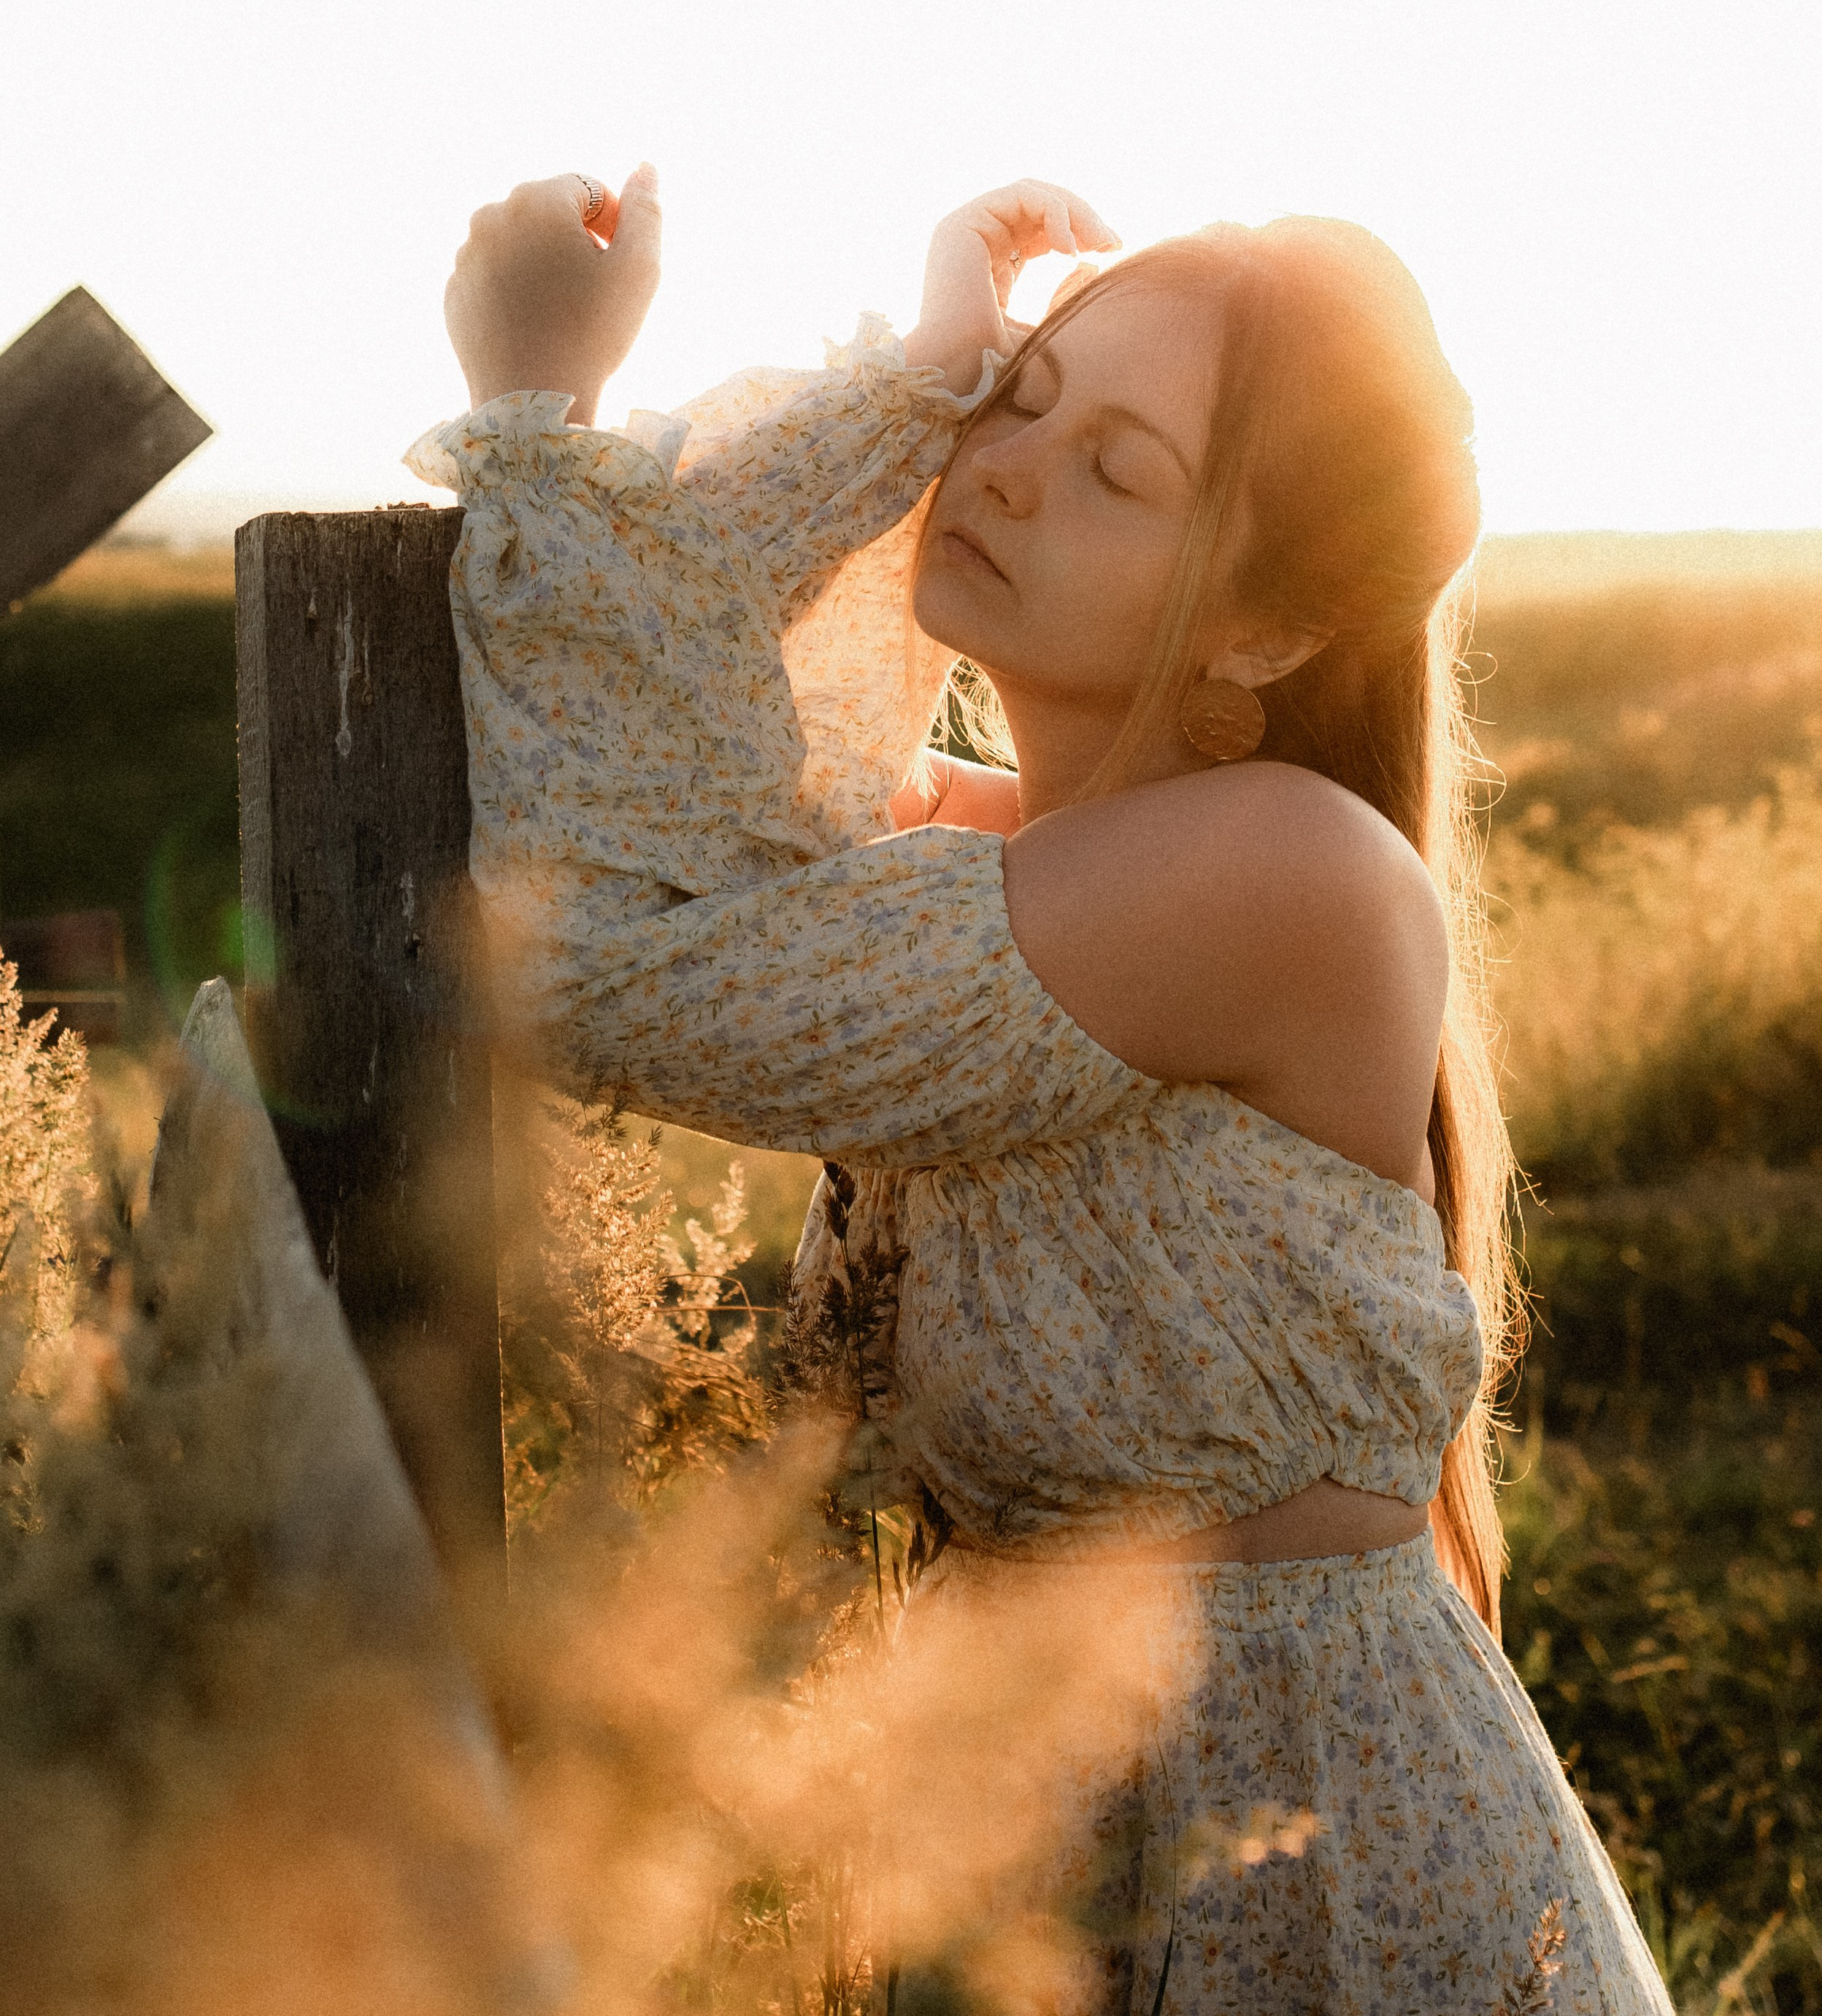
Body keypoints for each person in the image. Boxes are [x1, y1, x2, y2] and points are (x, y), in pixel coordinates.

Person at [417, 166, 1672, 2015]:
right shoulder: (1020, 859)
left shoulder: (1271, 873)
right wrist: (918, 380)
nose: (1004, 471)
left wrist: (540, 412)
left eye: (1122, 471)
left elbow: (595, 968)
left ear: (1258, 632)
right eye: (1021, 404)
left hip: (1278, 1844)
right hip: (1057, 1827)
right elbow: (685, 763)